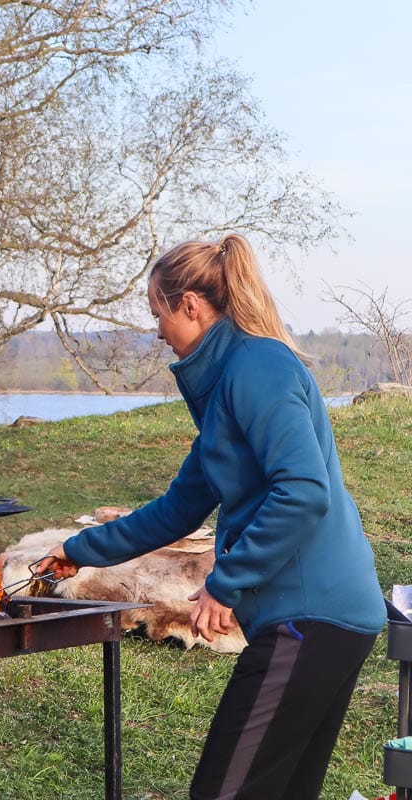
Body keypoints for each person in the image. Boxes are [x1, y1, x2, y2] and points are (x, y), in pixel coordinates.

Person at [34, 234, 386, 800]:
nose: (157, 331)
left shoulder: (257, 367)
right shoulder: (228, 387)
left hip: (311, 617)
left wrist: (224, 585)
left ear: (191, 306)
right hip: (321, 620)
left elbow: (302, 490)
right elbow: (177, 509)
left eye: (158, 313)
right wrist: (78, 550)